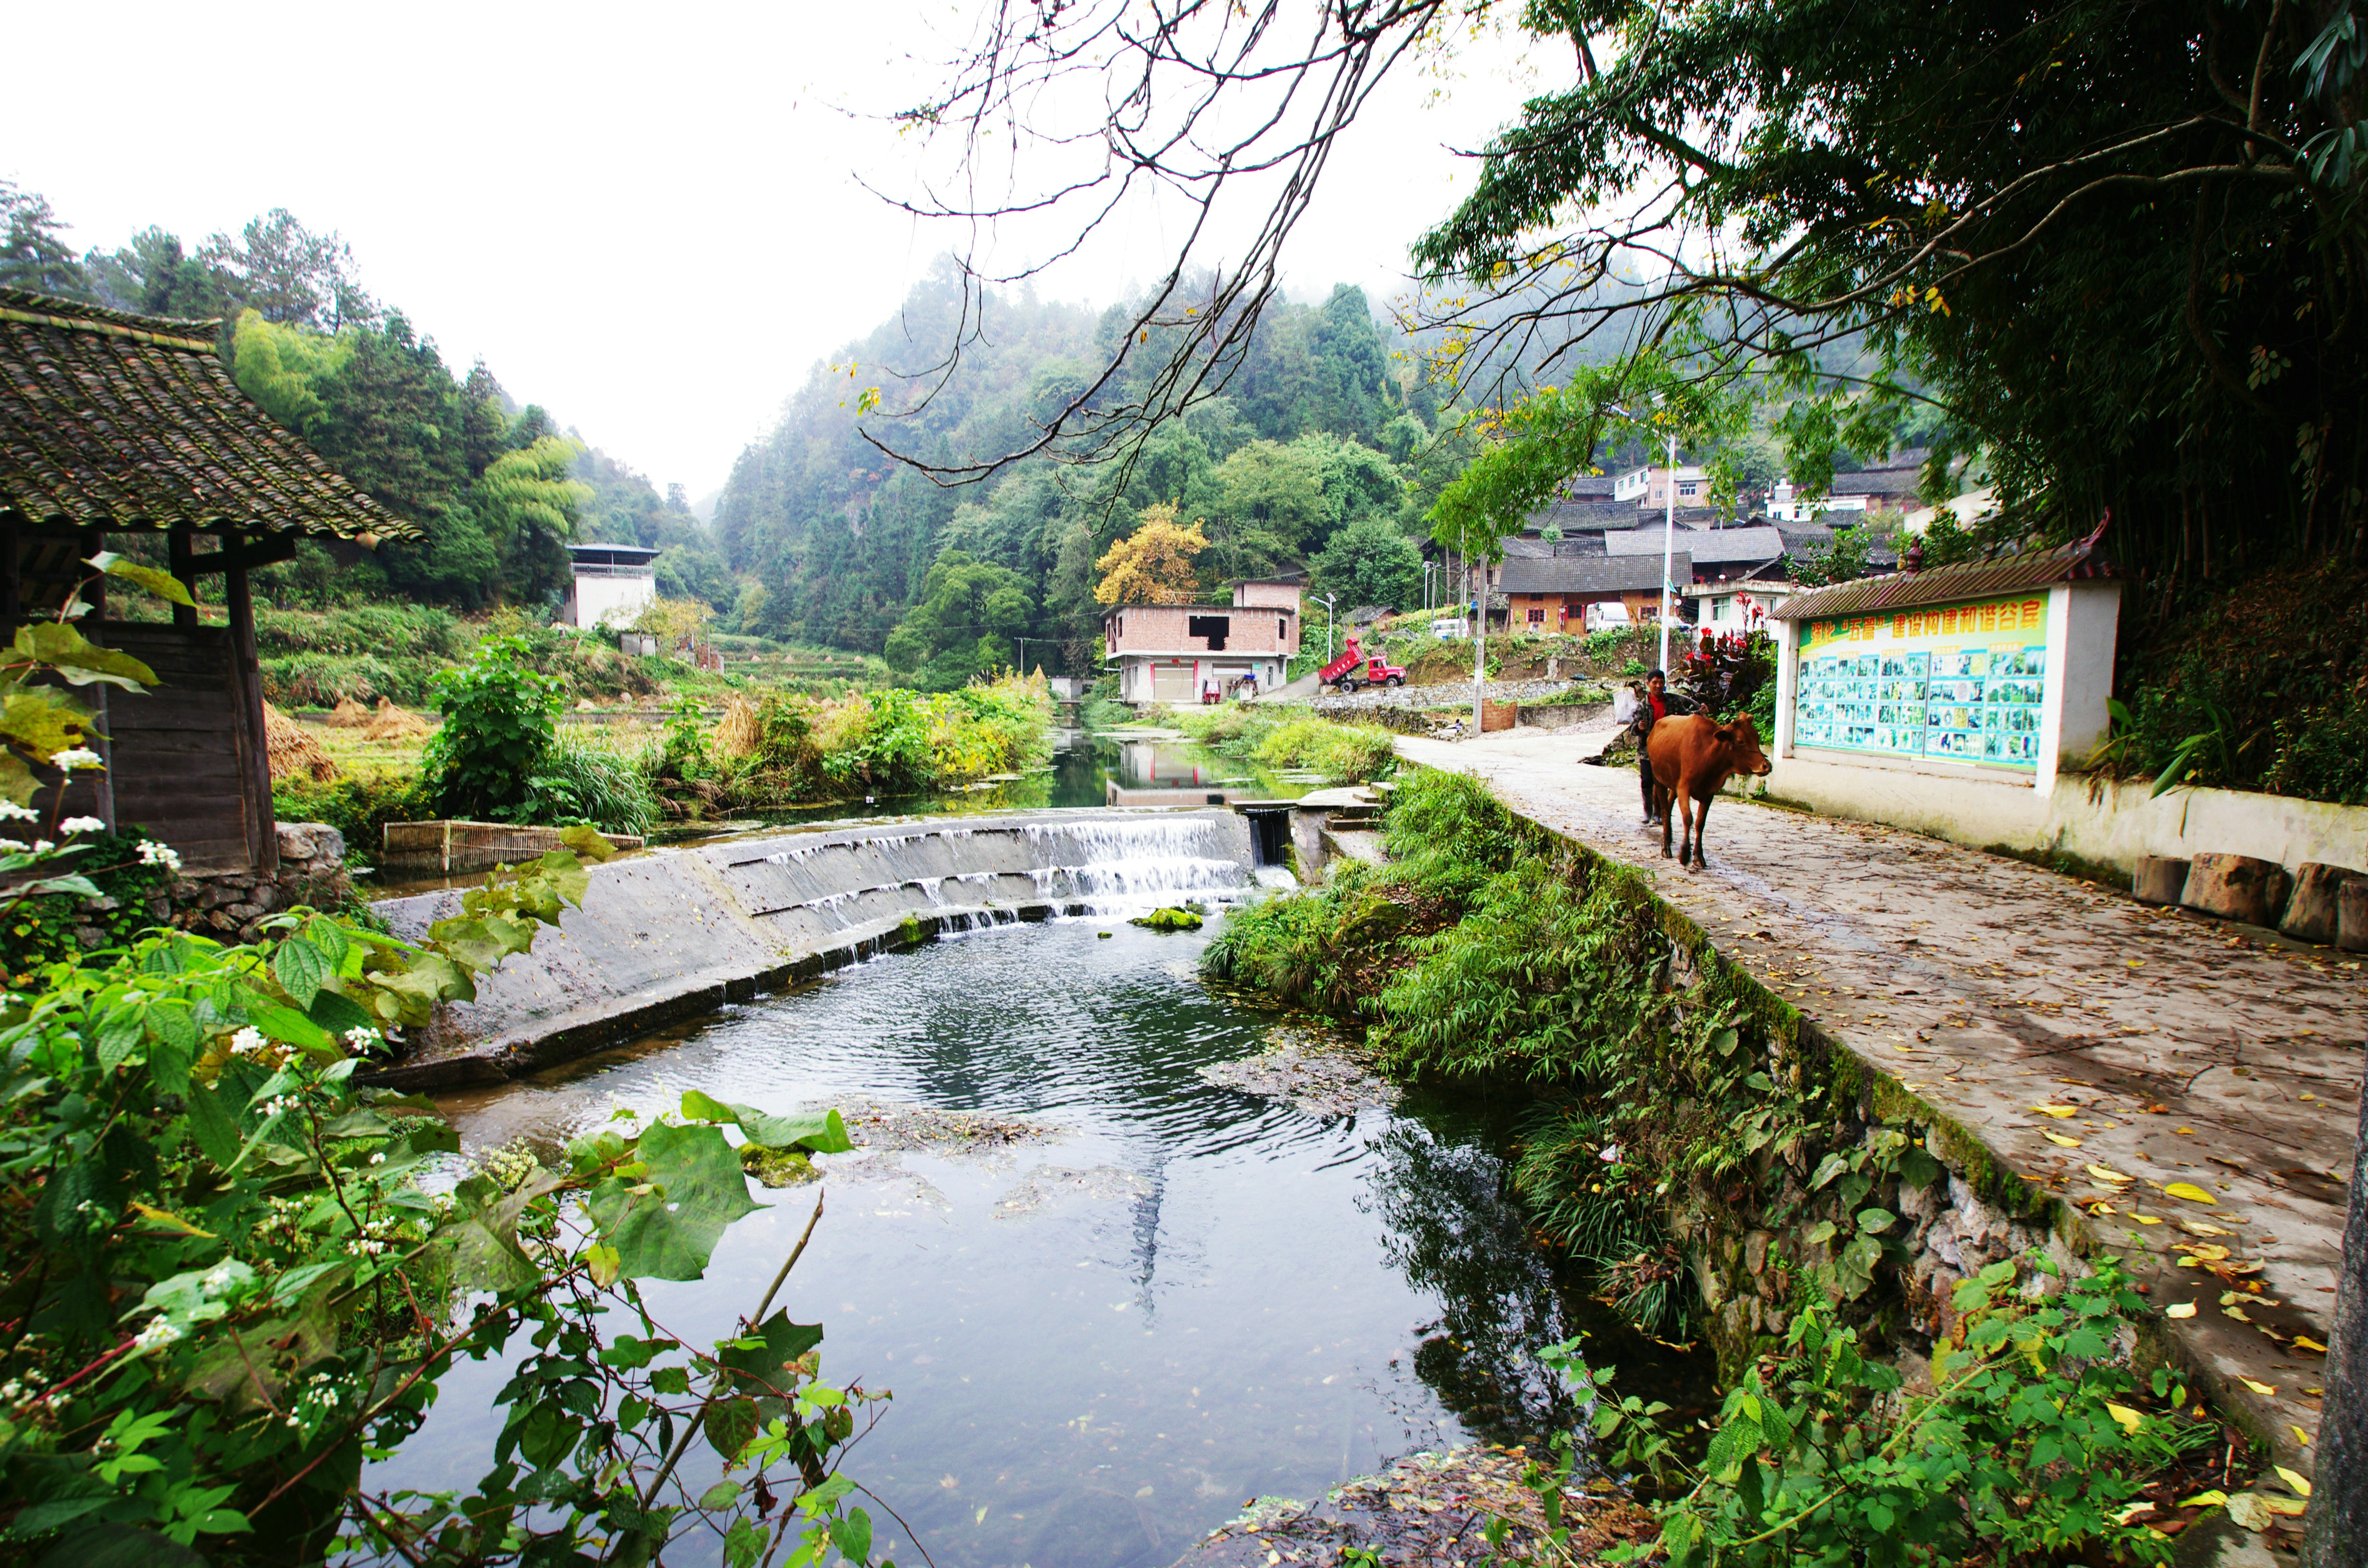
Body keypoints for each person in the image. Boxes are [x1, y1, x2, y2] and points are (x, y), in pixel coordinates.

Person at [1636, 669, 1697, 826]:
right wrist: (1639, 727)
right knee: (1647, 780)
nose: (1658, 686)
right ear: (1648, 683)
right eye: (1654, 682)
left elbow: (1686, 715)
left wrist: (1699, 713)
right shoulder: (1643, 706)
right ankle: (1647, 811)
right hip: (1647, 748)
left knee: (1662, 782)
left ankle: (1659, 813)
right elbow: (1633, 726)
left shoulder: (1672, 701)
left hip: (1666, 748)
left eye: (1661, 682)